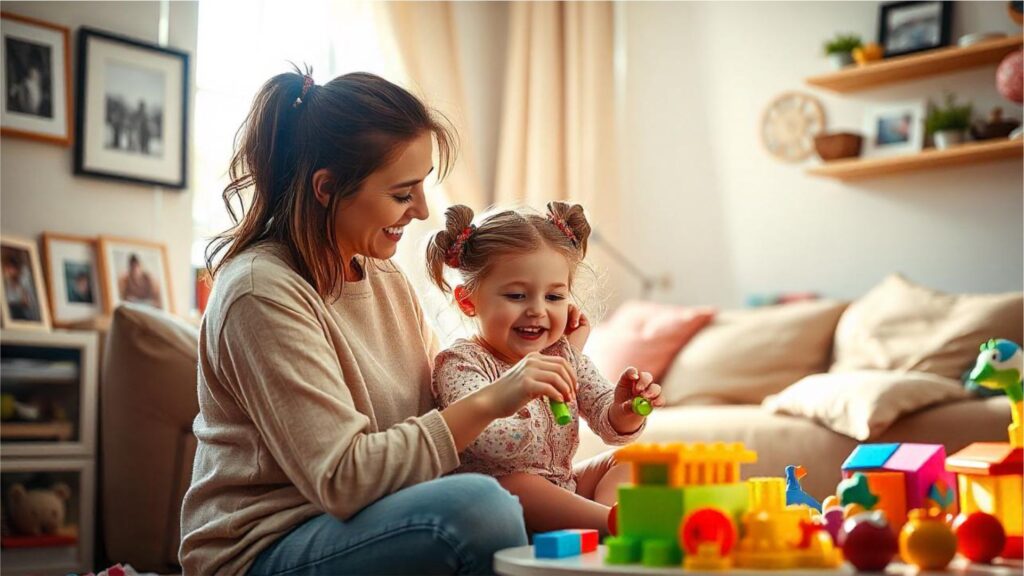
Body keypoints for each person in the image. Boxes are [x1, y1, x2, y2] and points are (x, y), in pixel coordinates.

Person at [179, 68, 578, 575]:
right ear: (327, 188)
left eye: (422, 187)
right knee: (481, 509)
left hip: (369, 521)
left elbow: (441, 416)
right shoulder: (262, 293)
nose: (421, 209)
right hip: (264, 548)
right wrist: (496, 398)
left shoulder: (383, 276)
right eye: (401, 192)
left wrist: (551, 353)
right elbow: (343, 479)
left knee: (562, 486)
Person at [425, 202, 666, 535]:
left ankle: (608, 524)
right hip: (502, 499)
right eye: (517, 295)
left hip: (563, 491)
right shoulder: (461, 363)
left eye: (554, 298)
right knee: (518, 485)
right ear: (469, 301)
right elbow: (491, 443)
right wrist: (523, 389)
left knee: (632, 461)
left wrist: (625, 410)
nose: (537, 311)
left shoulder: (563, 355)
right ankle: (613, 525)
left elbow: (607, 424)